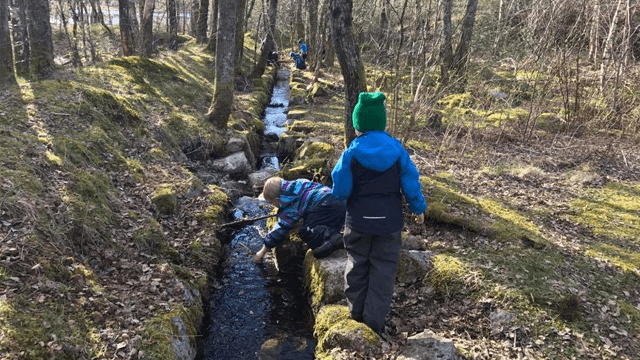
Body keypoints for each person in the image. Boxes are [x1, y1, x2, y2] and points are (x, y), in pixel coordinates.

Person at [330, 92, 427, 336]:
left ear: (357, 124)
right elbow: (412, 185)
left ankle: (356, 316)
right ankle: (374, 324)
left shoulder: (350, 153)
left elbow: (340, 192)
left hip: (358, 222)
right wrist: (418, 209)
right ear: (381, 122)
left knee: (356, 267)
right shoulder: (397, 150)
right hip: (389, 224)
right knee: (383, 272)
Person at [253, 177, 346, 263]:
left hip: (324, 205)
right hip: (339, 201)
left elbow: (281, 228)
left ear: (277, 199)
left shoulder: (291, 205)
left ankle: (333, 238)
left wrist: (262, 251)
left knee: (306, 231)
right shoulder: (299, 183)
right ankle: (338, 236)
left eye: (272, 203)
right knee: (319, 222)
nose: (272, 206)